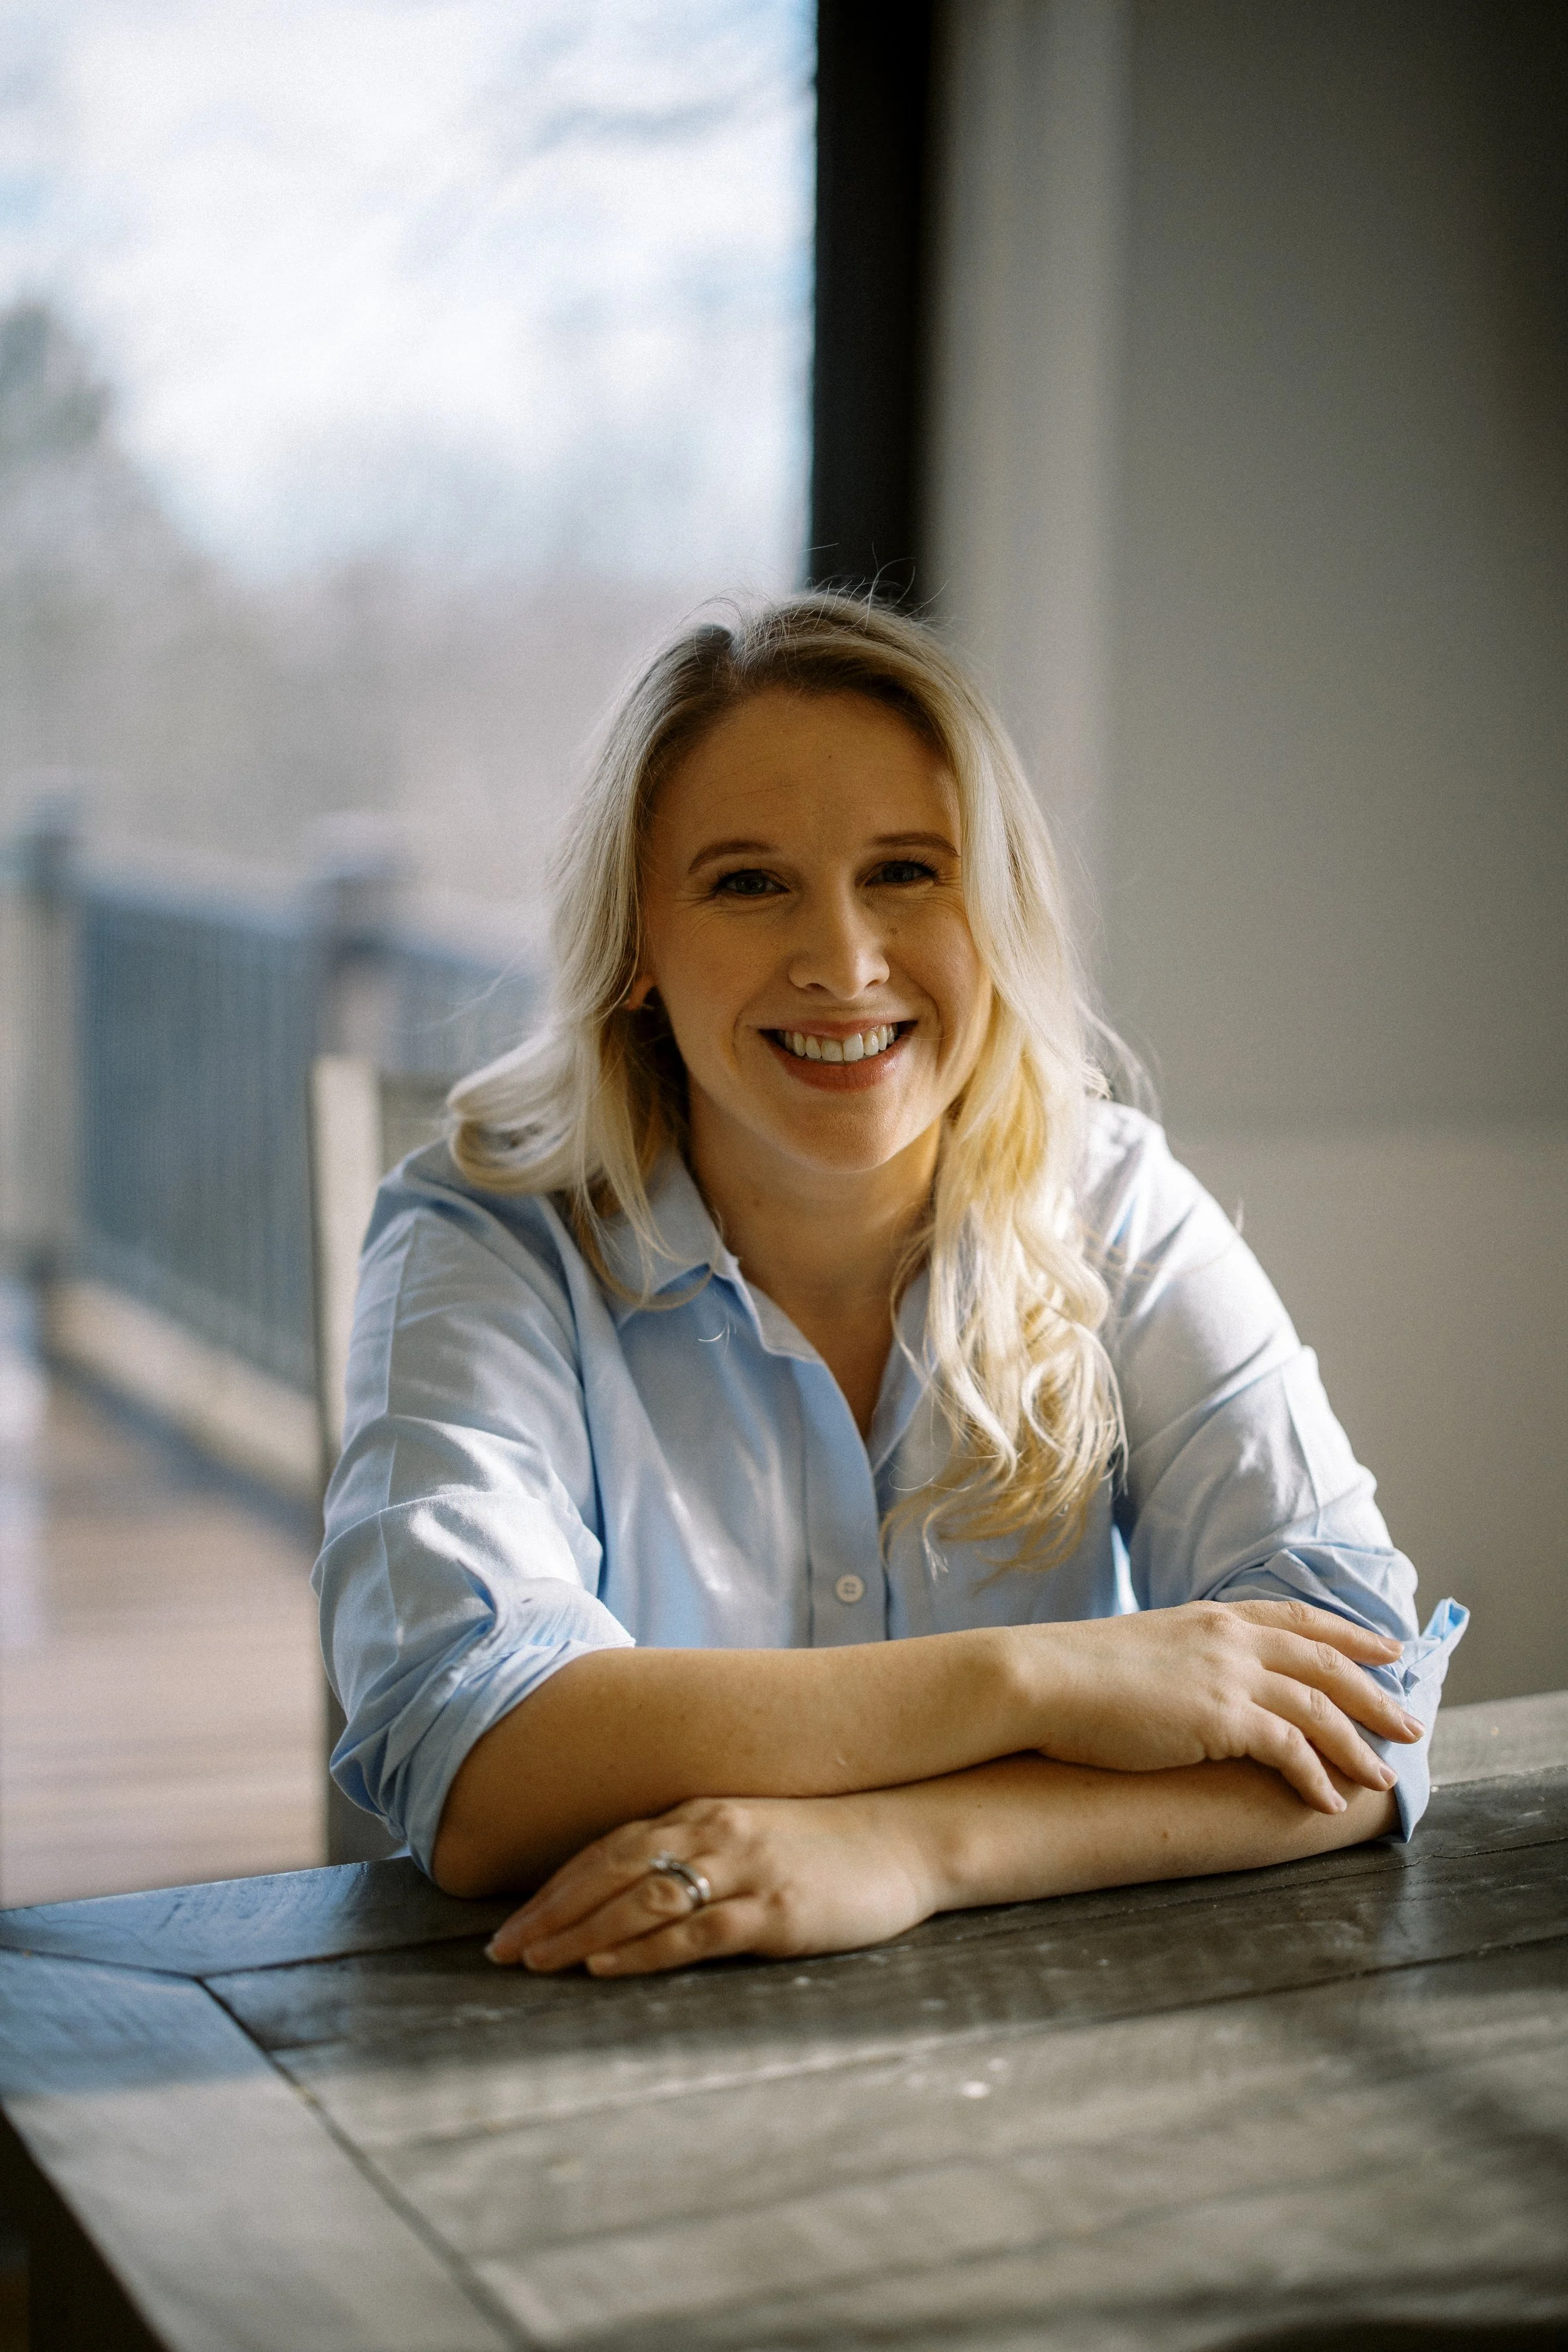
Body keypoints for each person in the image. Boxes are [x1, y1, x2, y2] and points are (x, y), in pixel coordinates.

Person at [315, 593, 1465, 1979]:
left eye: (908, 873)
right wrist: (1040, 1678)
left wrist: (915, 1850)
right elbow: (479, 1755)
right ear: (633, 952)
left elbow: (1362, 1714)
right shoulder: (480, 1229)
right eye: (747, 882)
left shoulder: (1109, 1199)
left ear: (998, 918)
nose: (842, 963)